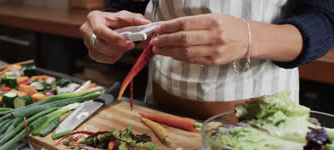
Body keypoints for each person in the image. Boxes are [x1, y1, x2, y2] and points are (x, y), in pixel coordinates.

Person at [80, 0, 334, 119]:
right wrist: (109, 31)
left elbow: (326, 18)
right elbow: (130, 4)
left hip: (262, 127)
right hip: (160, 114)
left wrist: (249, 38)